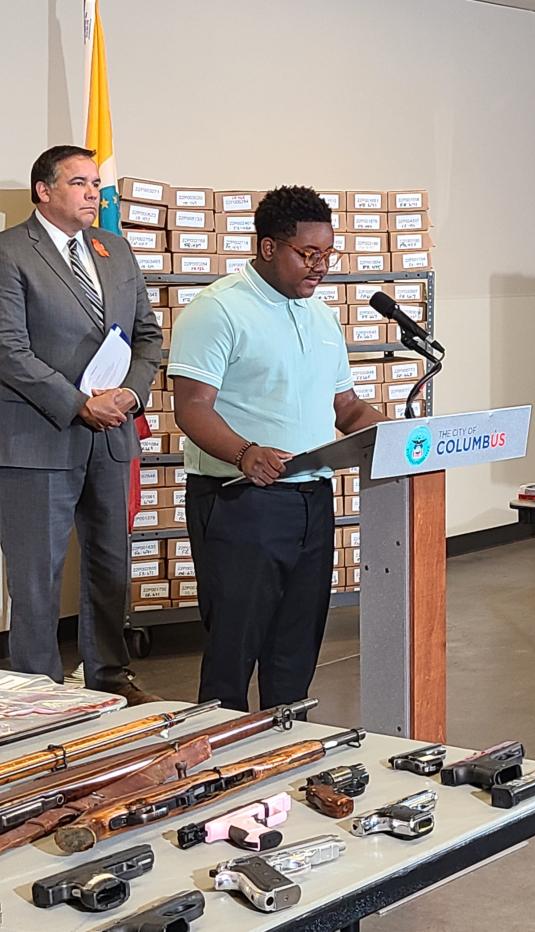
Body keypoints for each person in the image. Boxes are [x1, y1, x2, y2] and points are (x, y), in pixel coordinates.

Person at [168, 185, 387, 712]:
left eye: (327, 254)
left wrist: (395, 434)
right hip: (240, 497)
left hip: (311, 499)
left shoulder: (321, 316)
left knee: (296, 644)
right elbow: (192, 407)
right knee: (234, 647)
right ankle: (217, 761)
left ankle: (287, 748)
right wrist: (245, 452)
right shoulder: (218, 309)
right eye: (307, 254)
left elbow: (347, 407)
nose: (320, 267)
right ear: (268, 247)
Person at [0, 145, 163, 704]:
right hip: (38, 440)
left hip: (112, 432)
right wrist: (76, 403)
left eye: (96, 183)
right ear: (44, 191)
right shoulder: (9, 254)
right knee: (37, 579)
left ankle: (109, 677)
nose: (94, 193)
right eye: (80, 183)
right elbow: (8, 349)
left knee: (109, 565)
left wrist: (130, 395)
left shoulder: (114, 249)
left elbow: (148, 336)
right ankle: (38, 695)